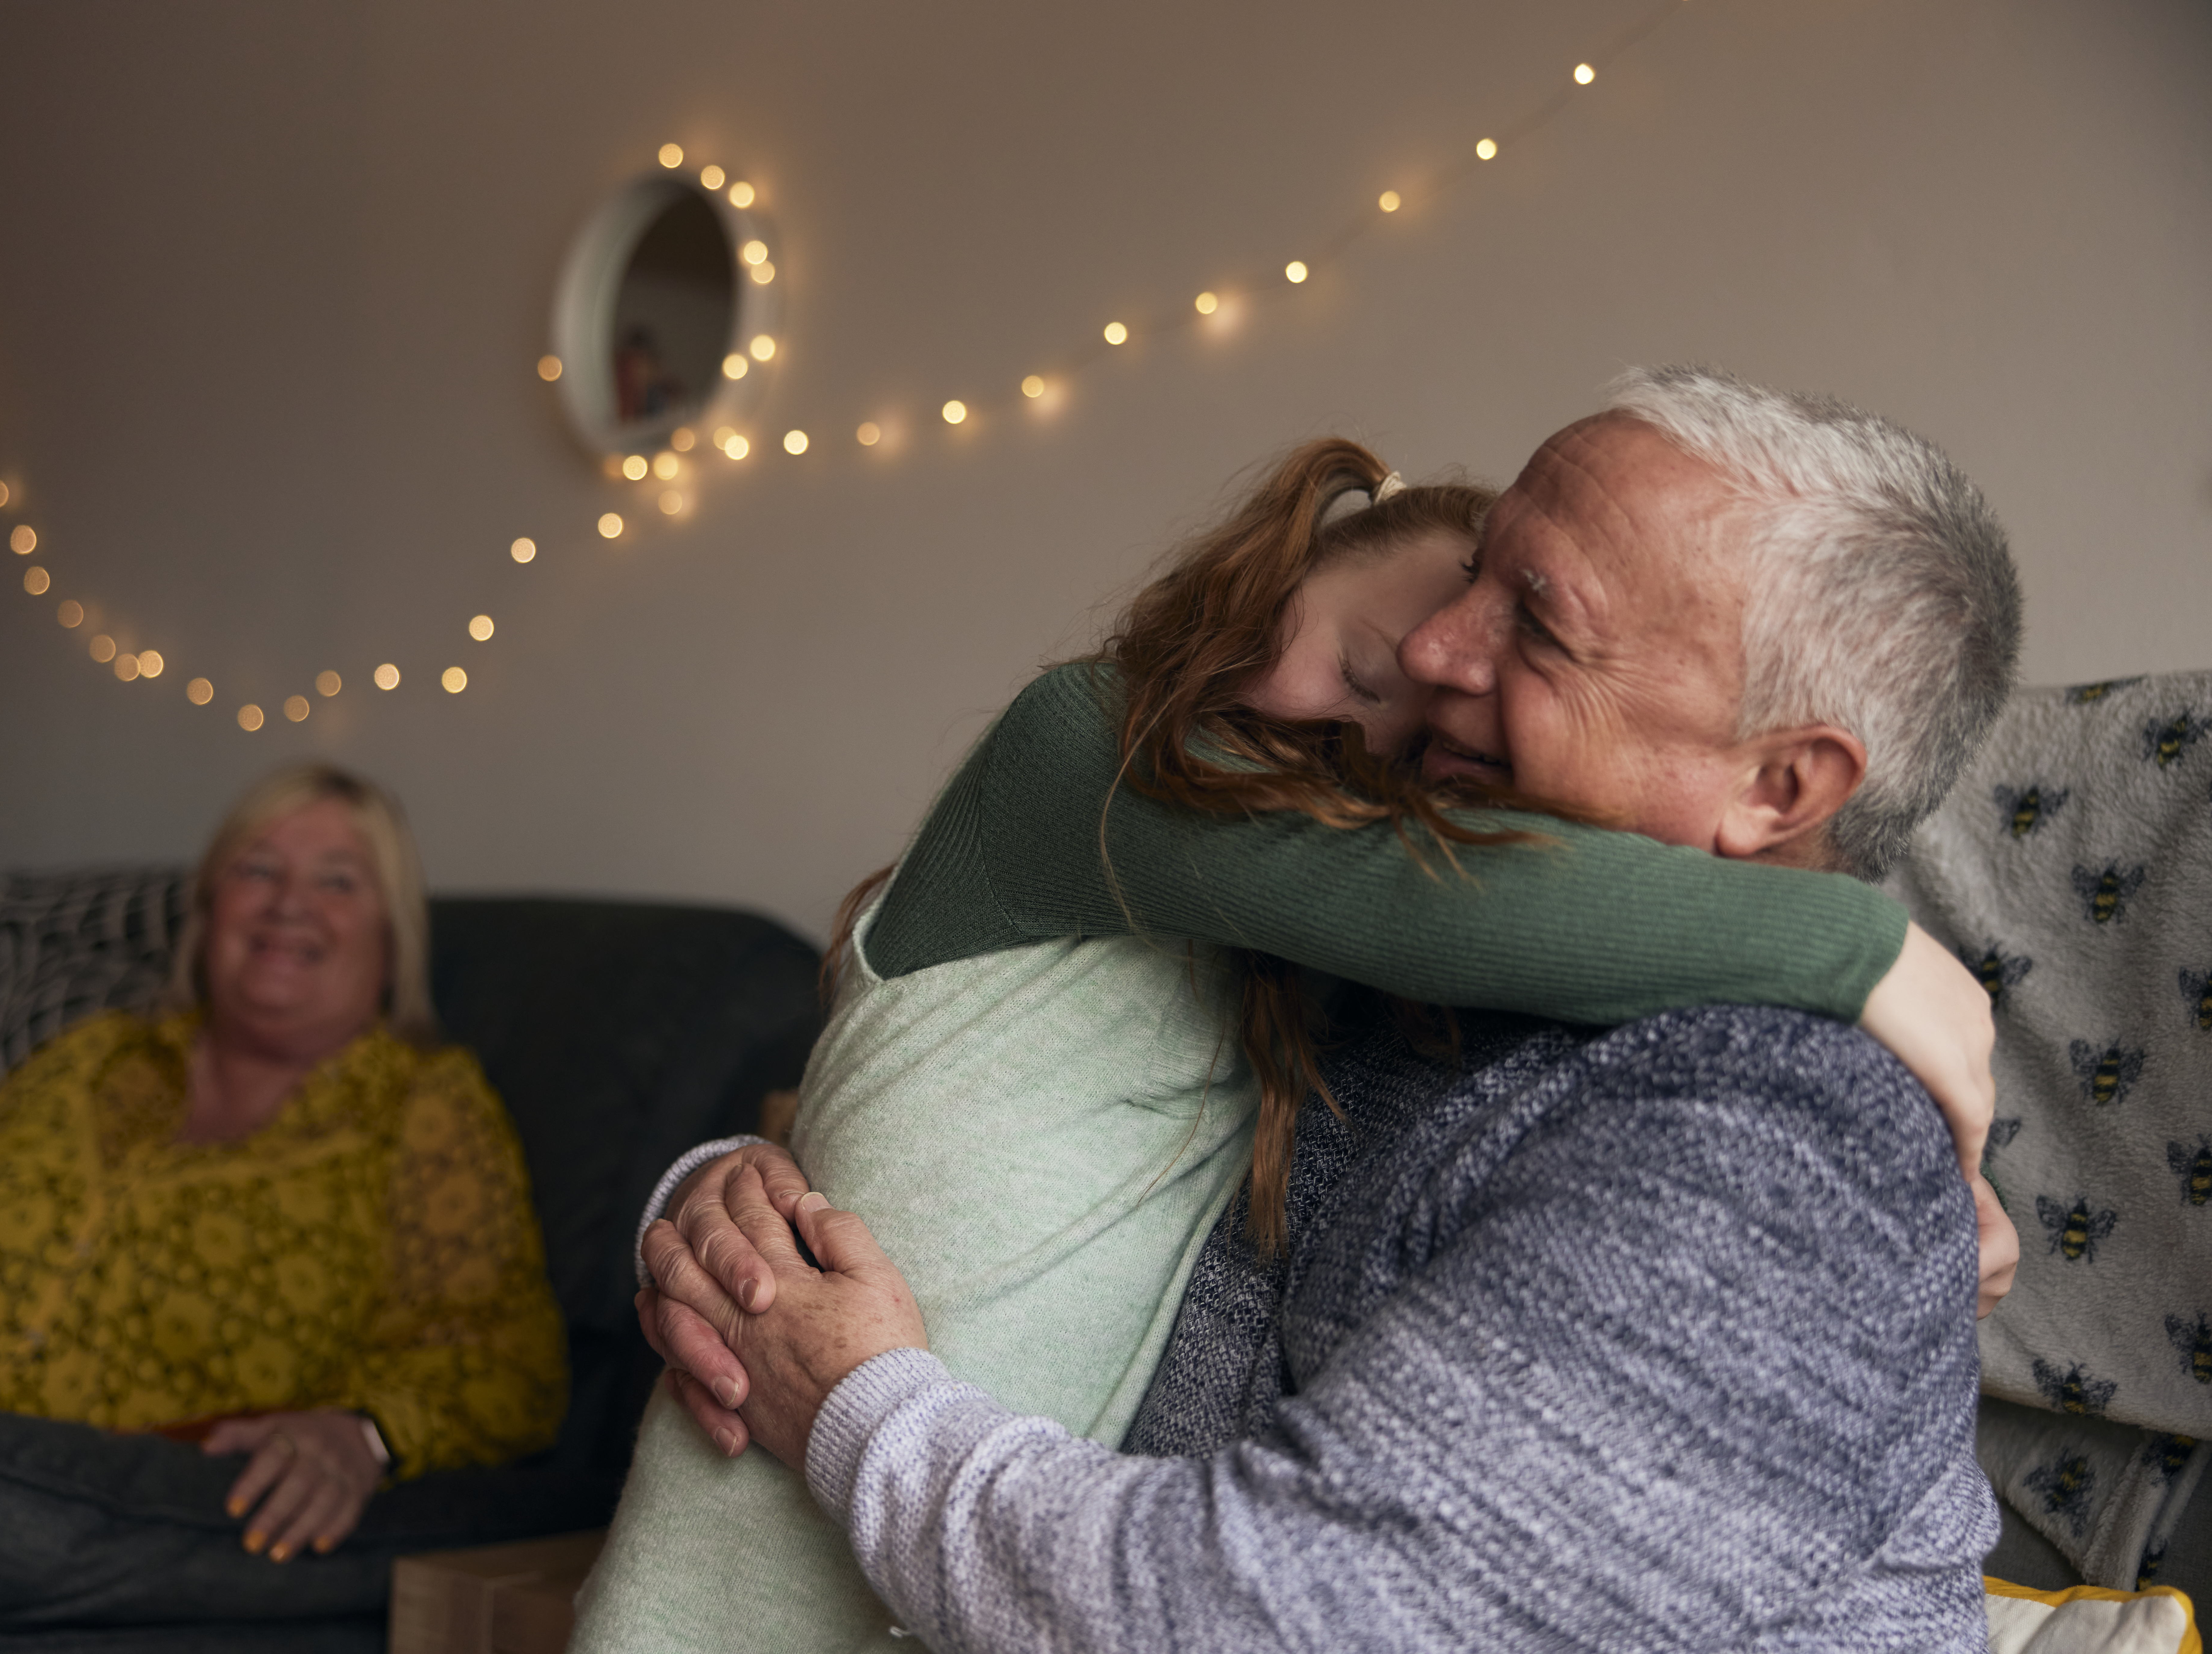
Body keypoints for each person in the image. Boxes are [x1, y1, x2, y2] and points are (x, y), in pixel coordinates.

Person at [644, 365, 2023, 1651]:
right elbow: (1028, 1128)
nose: (1431, 649)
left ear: (1778, 791)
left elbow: (1261, 1619)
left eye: (1536, 624)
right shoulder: (1376, 949)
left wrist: (842, 1395)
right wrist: (726, 1209)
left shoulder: (1773, 1158)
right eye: (1468, 579)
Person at [0, 766, 565, 1574]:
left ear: (392, 938)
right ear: (210, 913)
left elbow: (506, 1365)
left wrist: (367, 1432)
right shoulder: (92, 1060)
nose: (288, 904)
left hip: (36, 1514)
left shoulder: (424, 1107)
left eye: (339, 882)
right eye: (258, 870)